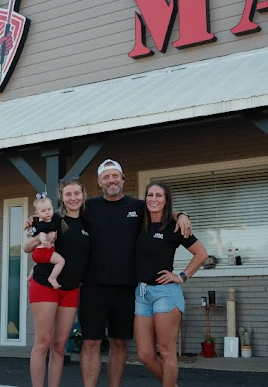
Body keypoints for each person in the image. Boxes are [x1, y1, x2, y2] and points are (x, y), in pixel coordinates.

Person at [80, 159, 192, 387]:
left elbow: (162, 208)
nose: (111, 180)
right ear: (99, 182)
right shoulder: (88, 207)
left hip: (126, 288)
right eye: (106, 177)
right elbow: (64, 224)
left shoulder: (139, 206)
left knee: (118, 343)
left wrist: (182, 214)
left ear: (122, 179)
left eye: (115, 176)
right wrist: (36, 222)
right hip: (93, 287)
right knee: (90, 343)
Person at [134, 181, 208, 387]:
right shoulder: (140, 223)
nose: (154, 199)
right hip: (141, 293)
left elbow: (201, 254)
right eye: (150, 195)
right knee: (145, 354)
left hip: (165, 294)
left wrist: (181, 276)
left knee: (166, 351)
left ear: (166, 201)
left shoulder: (174, 227)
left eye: (159, 195)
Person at [25, 177, 91, 387]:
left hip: (70, 289)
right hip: (45, 286)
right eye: (68, 194)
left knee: (59, 346)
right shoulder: (53, 219)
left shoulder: (89, 221)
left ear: (83, 195)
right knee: (42, 343)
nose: (73, 198)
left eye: (77, 193)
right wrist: (40, 237)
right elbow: (27, 247)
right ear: (61, 197)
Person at [29, 193, 66, 289]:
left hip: (39, 253)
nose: (47, 212)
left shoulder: (50, 220)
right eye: (43, 211)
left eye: (49, 209)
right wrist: (44, 240)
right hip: (44, 251)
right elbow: (41, 232)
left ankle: (30, 275)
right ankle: (52, 278)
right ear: (37, 213)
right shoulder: (42, 223)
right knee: (61, 261)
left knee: (40, 264)